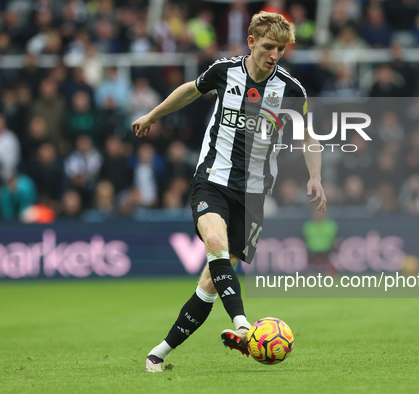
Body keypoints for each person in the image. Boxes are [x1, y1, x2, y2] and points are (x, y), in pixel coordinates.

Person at [131, 11, 327, 373]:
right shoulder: (224, 71)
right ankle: (243, 325)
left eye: (281, 49)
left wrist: (315, 176)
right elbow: (189, 91)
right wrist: (152, 116)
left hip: (253, 196)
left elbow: (308, 135)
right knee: (216, 244)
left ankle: (157, 354)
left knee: (209, 284)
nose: (274, 55)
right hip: (213, 180)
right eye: (269, 47)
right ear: (251, 42)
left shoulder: (290, 89)